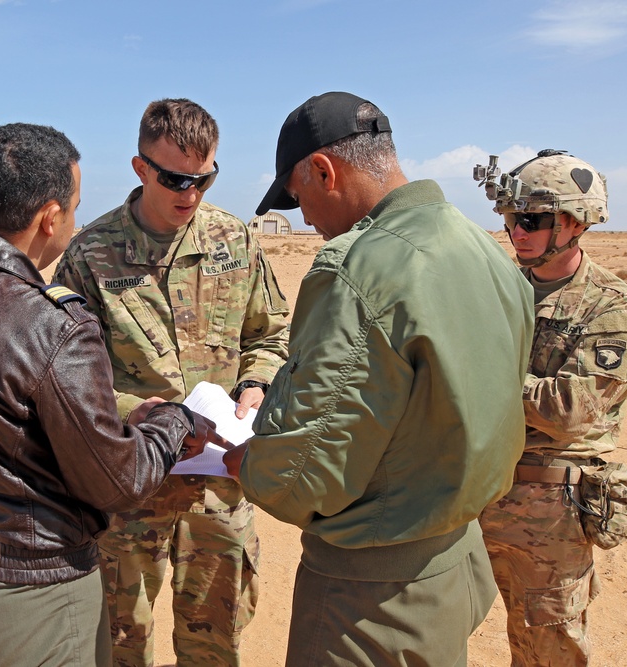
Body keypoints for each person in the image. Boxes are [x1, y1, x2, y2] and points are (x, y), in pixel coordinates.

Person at [0, 122, 227, 667]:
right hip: (36, 599)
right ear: (49, 216)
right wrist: (175, 423)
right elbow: (119, 479)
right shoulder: (51, 326)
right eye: (73, 207)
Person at [224, 91, 535, 666]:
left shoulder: (358, 267)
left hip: (372, 597)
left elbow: (306, 474)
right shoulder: (484, 250)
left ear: (324, 170)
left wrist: (249, 465)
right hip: (454, 561)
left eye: (300, 200)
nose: (307, 219)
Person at [53, 98, 290, 666]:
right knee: (119, 640)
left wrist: (255, 384)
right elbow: (64, 373)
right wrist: (135, 409)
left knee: (216, 642)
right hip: (131, 484)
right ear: (141, 169)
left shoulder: (235, 240)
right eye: (175, 179)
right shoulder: (91, 253)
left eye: (203, 179)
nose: (190, 193)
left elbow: (272, 335)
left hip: (220, 488)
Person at [474, 149, 627, 665]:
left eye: (531, 219)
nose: (517, 232)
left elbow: (569, 408)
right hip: (472, 488)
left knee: (546, 648)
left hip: (548, 509)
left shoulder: (615, 307)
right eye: (511, 219)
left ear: (575, 222)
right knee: (433, 621)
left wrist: (472, 377)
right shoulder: (500, 290)